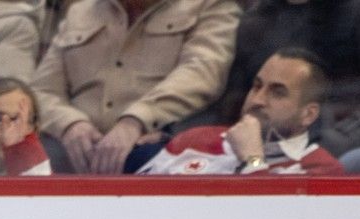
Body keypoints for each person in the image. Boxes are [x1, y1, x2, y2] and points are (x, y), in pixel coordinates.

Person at [30, 0, 240, 174]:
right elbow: (41, 90)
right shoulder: (80, 12)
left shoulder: (210, 6)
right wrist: (70, 125)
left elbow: (202, 73)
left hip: (159, 151)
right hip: (74, 153)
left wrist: (136, 120)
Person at [193, 0, 360, 159]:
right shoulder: (256, 22)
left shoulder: (354, 15)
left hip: (331, 150)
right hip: (248, 148)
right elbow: (228, 103)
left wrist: (331, 143)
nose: (258, 98)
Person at [138, 49, 344, 176]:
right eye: (256, 86)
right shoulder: (193, 140)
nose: (257, 100)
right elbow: (132, 205)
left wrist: (253, 160)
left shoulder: (320, 169)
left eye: (277, 93)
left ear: (308, 114)